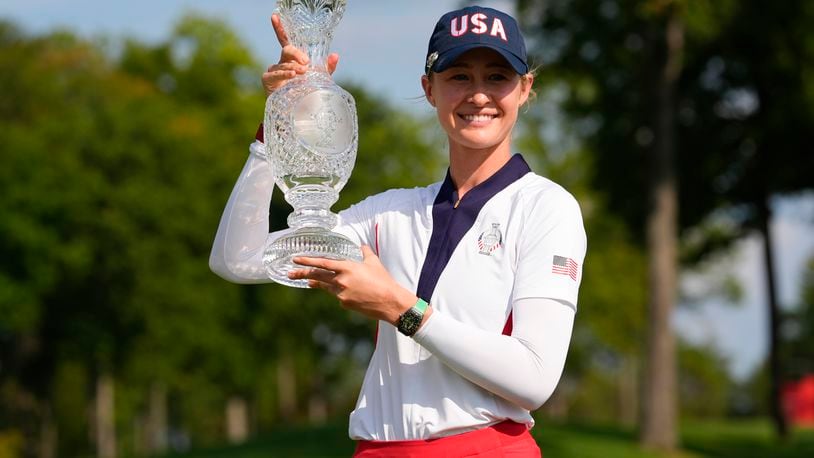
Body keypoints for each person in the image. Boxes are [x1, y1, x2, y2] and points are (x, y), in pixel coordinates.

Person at [210, 5, 586, 457]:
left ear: (525, 89)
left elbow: (534, 378)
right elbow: (237, 258)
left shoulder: (546, 207)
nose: (479, 95)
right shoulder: (389, 213)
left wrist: (398, 306)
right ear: (429, 89)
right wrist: (277, 123)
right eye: (459, 76)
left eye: (497, 77)